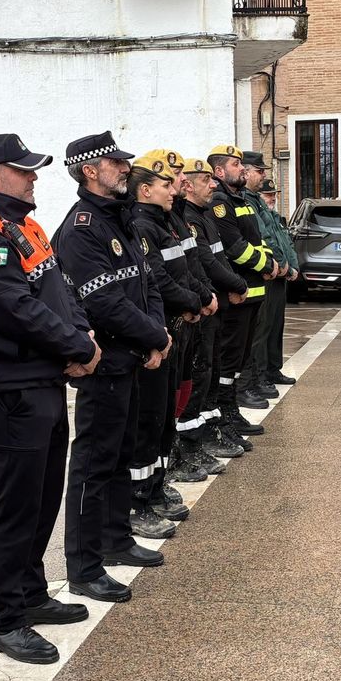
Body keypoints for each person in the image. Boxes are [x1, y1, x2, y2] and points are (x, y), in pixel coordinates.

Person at [0, 133, 99, 665]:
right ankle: (7, 618)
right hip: (11, 388)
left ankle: (31, 593)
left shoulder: (25, 228)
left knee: (40, 498)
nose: (33, 176)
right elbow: (15, 309)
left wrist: (84, 337)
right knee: (14, 506)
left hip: (42, 379)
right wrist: (77, 345)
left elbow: (60, 293)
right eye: (23, 170)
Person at [54, 131, 173, 598]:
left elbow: (149, 285)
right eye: (114, 162)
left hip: (135, 356)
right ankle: (84, 568)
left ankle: (116, 540)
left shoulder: (121, 220)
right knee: (93, 463)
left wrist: (157, 333)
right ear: (90, 171)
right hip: (105, 363)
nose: (125, 167)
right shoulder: (82, 229)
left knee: (120, 456)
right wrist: (155, 335)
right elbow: (102, 302)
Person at [125, 150, 208, 522]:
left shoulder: (166, 221)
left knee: (164, 415)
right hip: (163, 328)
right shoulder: (143, 225)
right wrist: (193, 301)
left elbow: (186, 269)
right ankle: (140, 496)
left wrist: (199, 298)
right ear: (145, 190)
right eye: (165, 183)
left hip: (176, 325)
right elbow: (157, 280)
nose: (174, 188)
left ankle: (157, 483)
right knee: (149, 420)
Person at [175, 156, 253, 463]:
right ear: (191, 184)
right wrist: (232, 286)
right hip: (204, 305)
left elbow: (214, 259)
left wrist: (231, 285)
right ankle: (194, 441)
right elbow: (202, 263)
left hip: (214, 302)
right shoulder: (191, 218)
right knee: (200, 372)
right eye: (206, 180)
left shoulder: (203, 215)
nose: (212, 184)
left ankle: (210, 427)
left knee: (212, 369)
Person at [206, 145, 276, 431]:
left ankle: (231, 410)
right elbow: (234, 248)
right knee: (229, 359)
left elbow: (257, 239)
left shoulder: (241, 199)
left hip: (254, 291)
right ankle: (226, 415)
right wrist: (267, 265)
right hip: (237, 293)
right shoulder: (221, 202)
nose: (242, 169)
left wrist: (268, 260)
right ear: (220, 171)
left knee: (240, 358)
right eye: (236, 165)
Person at [244, 151, 300, 398]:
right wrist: (280, 264)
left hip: (279, 273)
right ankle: (261, 375)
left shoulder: (263, 207)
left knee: (276, 325)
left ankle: (272, 369)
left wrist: (291, 264)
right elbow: (264, 237)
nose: (263, 174)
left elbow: (283, 239)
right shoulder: (248, 202)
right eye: (259, 170)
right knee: (262, 329)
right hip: (266, 273)